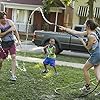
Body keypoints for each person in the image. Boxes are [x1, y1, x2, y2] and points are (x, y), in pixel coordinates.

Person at [59, 19, 100, 92]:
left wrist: (82, 41)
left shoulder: (91, 36)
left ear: (88, 26)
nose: (84, 25)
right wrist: (65, 29)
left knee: (85, 69)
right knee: (97, 74)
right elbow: (76, 32)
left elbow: (88, 48)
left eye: (85, 24)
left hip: (96, 55)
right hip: (98, 54)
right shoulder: (91, 32)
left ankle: (87, 87)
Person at [0, 11, 21, 81]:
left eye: (5, 17)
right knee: (0, 60)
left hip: (12, 42)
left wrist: (19, 40)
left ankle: (13, 75)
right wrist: (9, 30)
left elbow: (15, 31)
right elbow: (1, 35)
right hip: (4, 43)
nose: (5, 19)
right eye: (3, 18)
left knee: (13, 57)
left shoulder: (10, 22)